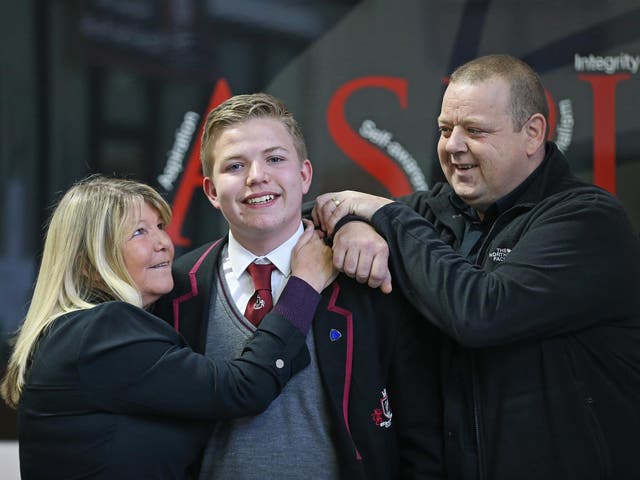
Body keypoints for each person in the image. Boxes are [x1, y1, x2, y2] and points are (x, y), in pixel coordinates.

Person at [312, 54, 640, 480]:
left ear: (533, 134)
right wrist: (354, 224)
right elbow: (306, 216)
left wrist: (382, 217)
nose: (453, 146)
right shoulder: (431, 212)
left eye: (475, 131)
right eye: (446, 129)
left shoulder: (587, 220)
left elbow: (482, 313)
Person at [155, 93, 444, 479]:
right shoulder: (177, 290)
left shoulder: (366, 275)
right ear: (210, 191)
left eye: (275, 159)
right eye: (236, 165)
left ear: (304, 175)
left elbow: (420, 430)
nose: (257, 176)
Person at [0, 174, 334, 480]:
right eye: (139, 232)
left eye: (160, 225)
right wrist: (304, 285)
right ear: (89, 264)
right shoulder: (102, 330)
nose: (163, 241)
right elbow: (243, 388)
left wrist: (345, 220)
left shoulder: (76, 332)